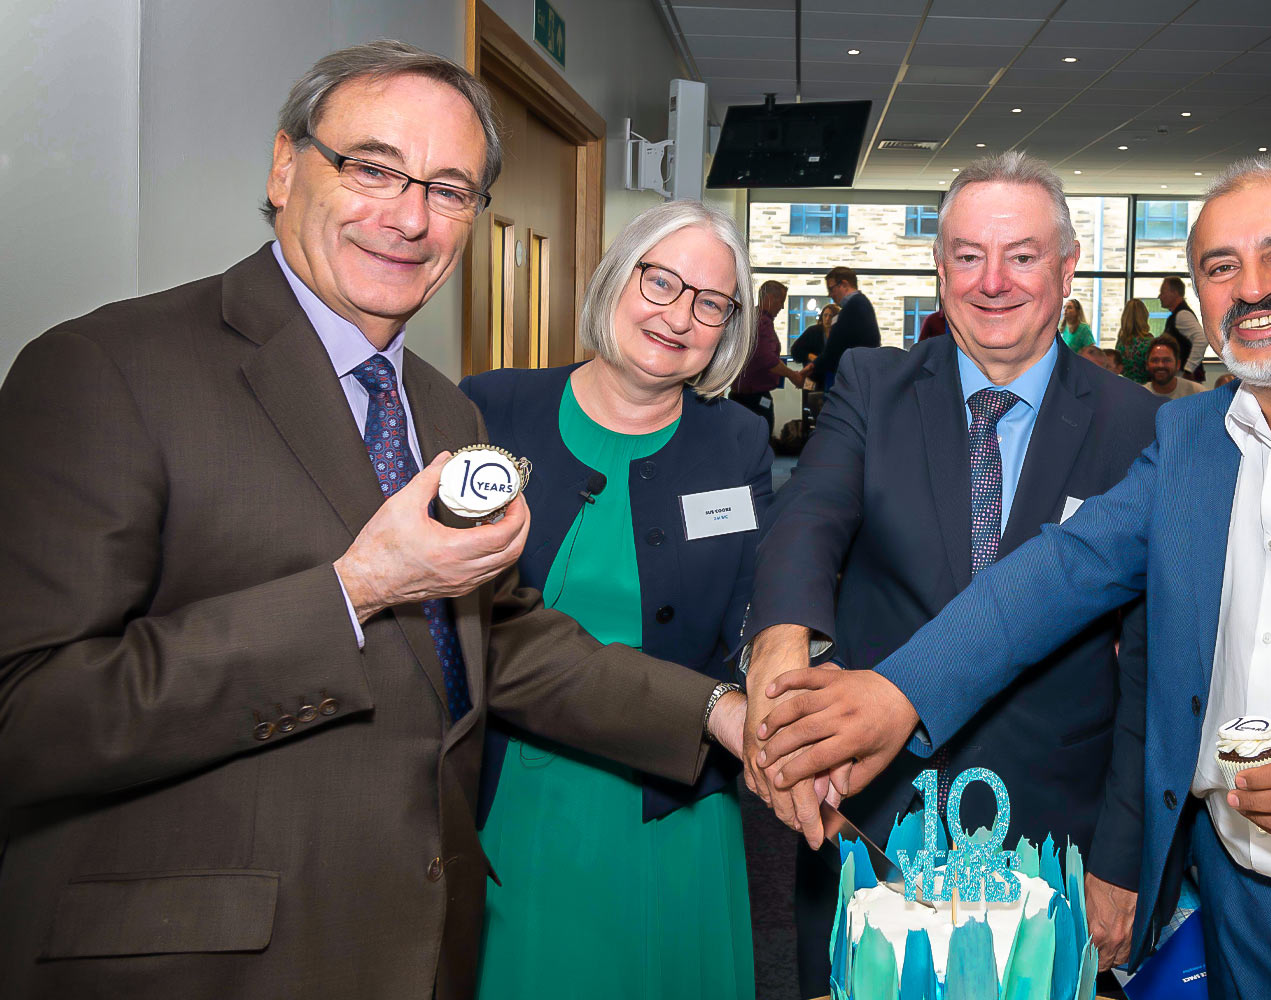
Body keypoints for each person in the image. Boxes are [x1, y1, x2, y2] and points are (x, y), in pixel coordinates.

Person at [754, 155, 1271, 999]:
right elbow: (1061, 570)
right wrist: (899, 693)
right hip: (1239, 914)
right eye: (1220, 267)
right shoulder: (1191, 438)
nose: (1252, 287)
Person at [0, 42, 745, 1000]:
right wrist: (356, 590)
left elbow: (492, 634)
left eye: (448, 189)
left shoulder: (444, 411)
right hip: (198, 958)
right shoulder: (107, 369)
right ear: (283, 167)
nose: (407, 217)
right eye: (373, 168)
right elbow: (26, 713)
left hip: (417, 939)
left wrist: (719, 712)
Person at [742, 151, 1160, 995]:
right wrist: (779, 652)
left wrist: (1121, 857)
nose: (992, 281)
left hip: (1057, 829)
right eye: (967, 255)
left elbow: (1155, 662)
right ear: (939, 270)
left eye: (1023, 255)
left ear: (1069, 267)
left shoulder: (1142, 424)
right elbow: (808, 517)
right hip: (873, 811)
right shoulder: (871, 383)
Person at [461, 201, 766, 1000]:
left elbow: (752, 615)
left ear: (727, 328)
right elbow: (454, 614)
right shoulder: (490, 408)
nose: (679, 316)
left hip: (675, 797)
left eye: (711, 302)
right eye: (661, 282)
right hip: (516, 794)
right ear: (615, 279)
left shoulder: (737, 442)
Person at [729, 278, 803, 435]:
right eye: (781, 301)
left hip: (739, 394)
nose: (782, 307)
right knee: (761, 438)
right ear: (769, 298)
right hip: (754, 398)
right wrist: (792, 375)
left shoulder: (749, 318)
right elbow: (767, 360)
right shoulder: (762, 323)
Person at [808, 265, 880, 391]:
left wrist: (810, 370)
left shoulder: (855, 306)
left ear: (845, 284)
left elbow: (835, 349)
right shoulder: (858, 304)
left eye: (831, 289)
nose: (830, 295)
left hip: (855, 380)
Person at [1158, 276, 1206, 380]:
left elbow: (1202, 339)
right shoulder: (1176, 315)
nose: (1159, 296)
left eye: (1163, 292)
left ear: (1174, 293)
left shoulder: (1182, 315)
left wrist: (1188, 369)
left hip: (1184, 378)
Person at [1144, 335, 1204, 402]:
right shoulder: (1139, 395)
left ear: (1178, 364)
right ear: (1147, 364)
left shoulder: (1197, 393)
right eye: (1155, 360)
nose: (1160, 365)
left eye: (1166, 360)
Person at [789, 301, 837, 381]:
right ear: (821, 317)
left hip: (832, 377)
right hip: (812, 377)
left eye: (831, 316)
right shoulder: (813, 331)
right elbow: (795, 350)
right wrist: (809, 355)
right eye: (825, 315)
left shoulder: (839, 334)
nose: (827, 319)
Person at [1116, 298, 1154, 384]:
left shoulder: (1121, 342)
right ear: (1144, 317)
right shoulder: (1149, 342)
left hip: (1125, 387)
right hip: (1146, 388)